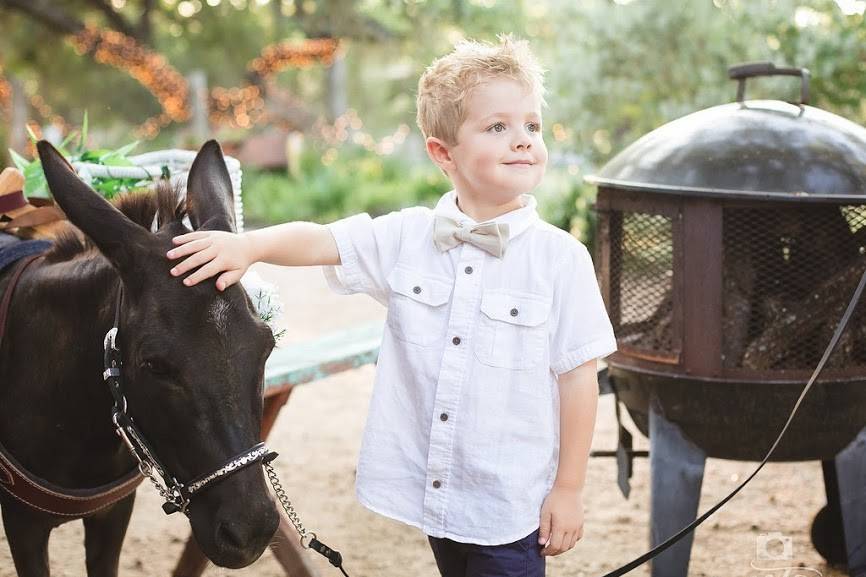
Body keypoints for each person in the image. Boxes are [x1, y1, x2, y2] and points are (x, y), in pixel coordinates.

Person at [166, 35, 617, 577]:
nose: (523, 140)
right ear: (442, 153)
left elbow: (578, 378)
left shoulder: (561, 260)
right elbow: (323, 241)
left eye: (532, 125)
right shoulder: (409, 238)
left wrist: (568, 489)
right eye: (498, 127)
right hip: (442, 495)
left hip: (510, 503)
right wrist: (250, 246)